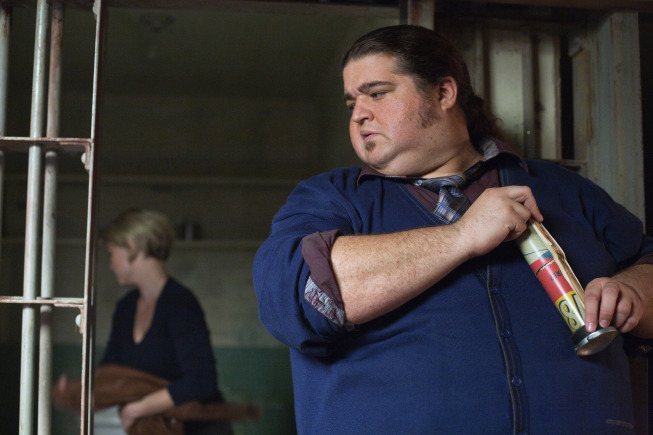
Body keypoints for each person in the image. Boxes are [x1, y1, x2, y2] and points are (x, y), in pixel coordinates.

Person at [252, 25, 653, 434]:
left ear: (444, 93)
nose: (359, 114)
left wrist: (635, 291)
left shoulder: (565, 191)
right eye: (352, 101)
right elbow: (294, 296)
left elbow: (647, 260)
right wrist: (461, 236)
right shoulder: (329, 198)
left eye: (377, 93)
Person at [99, 208, 232, 434]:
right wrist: (74, 390)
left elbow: (201, 381)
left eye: (112, 253)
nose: (110, 264)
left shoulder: (180, 303)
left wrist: (137, 409)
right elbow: (110, 370)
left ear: (131, 247)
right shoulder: (126, 308)